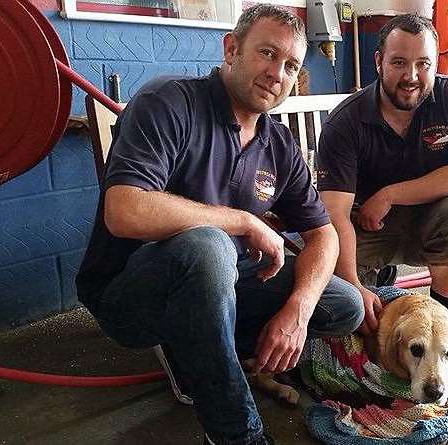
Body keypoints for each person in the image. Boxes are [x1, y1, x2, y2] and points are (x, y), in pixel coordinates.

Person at [76, 4, 364, 444]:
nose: (277, 73)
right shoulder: (169, 103)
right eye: (267, 54)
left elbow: (322, 233)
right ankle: (237, 432)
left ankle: (200, 349)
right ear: (231, 49)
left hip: (222, 282)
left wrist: (298, 311)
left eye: (290, 65)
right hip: (131, 295)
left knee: (343, 304)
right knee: (209, 246)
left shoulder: (278, 143)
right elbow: (123, 209)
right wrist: (243, 221)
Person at [316, 14, 448, 335]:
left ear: (435, 64)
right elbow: (335, 215)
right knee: (332, 289)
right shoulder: (344, 122)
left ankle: (442, 313)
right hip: (367, 229)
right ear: (378, 61)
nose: (411, 76)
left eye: (423, 64)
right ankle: (375, 280)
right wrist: (354, 287)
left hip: (434, 220)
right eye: (399, 62)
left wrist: (389, 195)